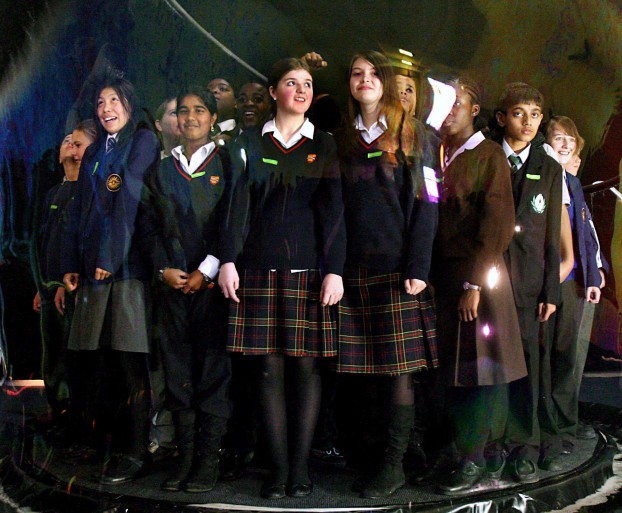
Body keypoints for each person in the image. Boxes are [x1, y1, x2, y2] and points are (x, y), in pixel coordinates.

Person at [218, 57, 345, 499]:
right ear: (274, 92)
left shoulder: (324, 144)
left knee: (307, 370)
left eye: (307, 83)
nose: (302, 90)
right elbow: (235, 204)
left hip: (309, 273)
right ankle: (277, 470)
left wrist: (335, 270)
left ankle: (300, 469)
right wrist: (228, 260)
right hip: (256, 269)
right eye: (292, 82)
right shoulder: (249, 141)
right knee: (268, 371)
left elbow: (333, 213)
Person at [335, 51, 438, 499]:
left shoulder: (416, 134)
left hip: (398, 272)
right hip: (352, 272)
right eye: (356, 73)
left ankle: (394, 466)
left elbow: (429, 204)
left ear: (387, 81)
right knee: (362, 372)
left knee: (398, 374)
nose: (365, 79)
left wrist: (418, 266)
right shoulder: (341, 137)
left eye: (374, 73)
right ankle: (370, 456)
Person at [62, 72, 160, 484]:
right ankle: (111, 445)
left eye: (114, 100)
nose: (106, 109)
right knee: (100, 361)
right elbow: (79, 209)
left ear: (129, 104)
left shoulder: (143, 141)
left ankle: (137, 451)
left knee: (130, 361)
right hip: (93, 272)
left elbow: (131, 202)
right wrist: (71, 262)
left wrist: (110, 255)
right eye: (101, 103)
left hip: (128, 268)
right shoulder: (95, 150)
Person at [432, 78, 526, 495]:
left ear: (474, 110)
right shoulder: (438, 153)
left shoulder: (488, 154)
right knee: (453, 373)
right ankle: (455, 454)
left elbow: (497, 224)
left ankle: (477, 459)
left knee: (480, 371)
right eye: (444, 102)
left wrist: (474, 283)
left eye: (459, 102)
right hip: (445, 276)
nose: (450, 109)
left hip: (478, 277)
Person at [140, 86, 232, 493]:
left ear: (213, 118)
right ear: (174, 120)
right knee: (177, 370)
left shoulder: (228, 163)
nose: (190, 117)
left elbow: (232, 221)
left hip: (212, 286)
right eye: (182, 111)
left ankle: (208, 461)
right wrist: (164, 269)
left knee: (212, 372)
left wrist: (206, 270)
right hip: (171, 286)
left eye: (199, 110)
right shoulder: (159, 171)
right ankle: (185, 458)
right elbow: (147, 226)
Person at [494, 82, 562, 483]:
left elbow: (552, 235)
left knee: (527, 369)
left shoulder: (549, 167)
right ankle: (488, 446)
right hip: (489, 283)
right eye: (519, 113)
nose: (528, 122)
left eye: (535, 114)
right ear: (502, 117)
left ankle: (525, 447)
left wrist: (551, 290)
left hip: (529, 287)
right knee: (488, 366)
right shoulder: (485, 157)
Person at [540, 116, 603, 455]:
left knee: (567, 358)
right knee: (546, 357)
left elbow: (585, 232)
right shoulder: (541, 177)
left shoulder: (573, 183)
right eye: (558, 137)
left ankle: (564, 426)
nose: (565, 144)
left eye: (570, 138)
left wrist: (593, 274)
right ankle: (544, 427)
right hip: (546, 280)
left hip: (573, 281)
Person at [32, 122, 96, 425]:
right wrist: (41, 286)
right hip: (48, 288)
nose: (70, 145)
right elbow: (45, 242)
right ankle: (57, 411)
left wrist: (63, 282)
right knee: (52, 353)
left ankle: (77, 416)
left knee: (72, 355)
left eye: (78, 142)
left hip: (72, 289)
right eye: (66, 141)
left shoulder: (88, 193)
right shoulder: (52, 194)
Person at [208, 77, 238, 145]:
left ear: (236, 102)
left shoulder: (242, 134)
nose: (214, 90)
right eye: (208, 90)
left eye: (222, 89)